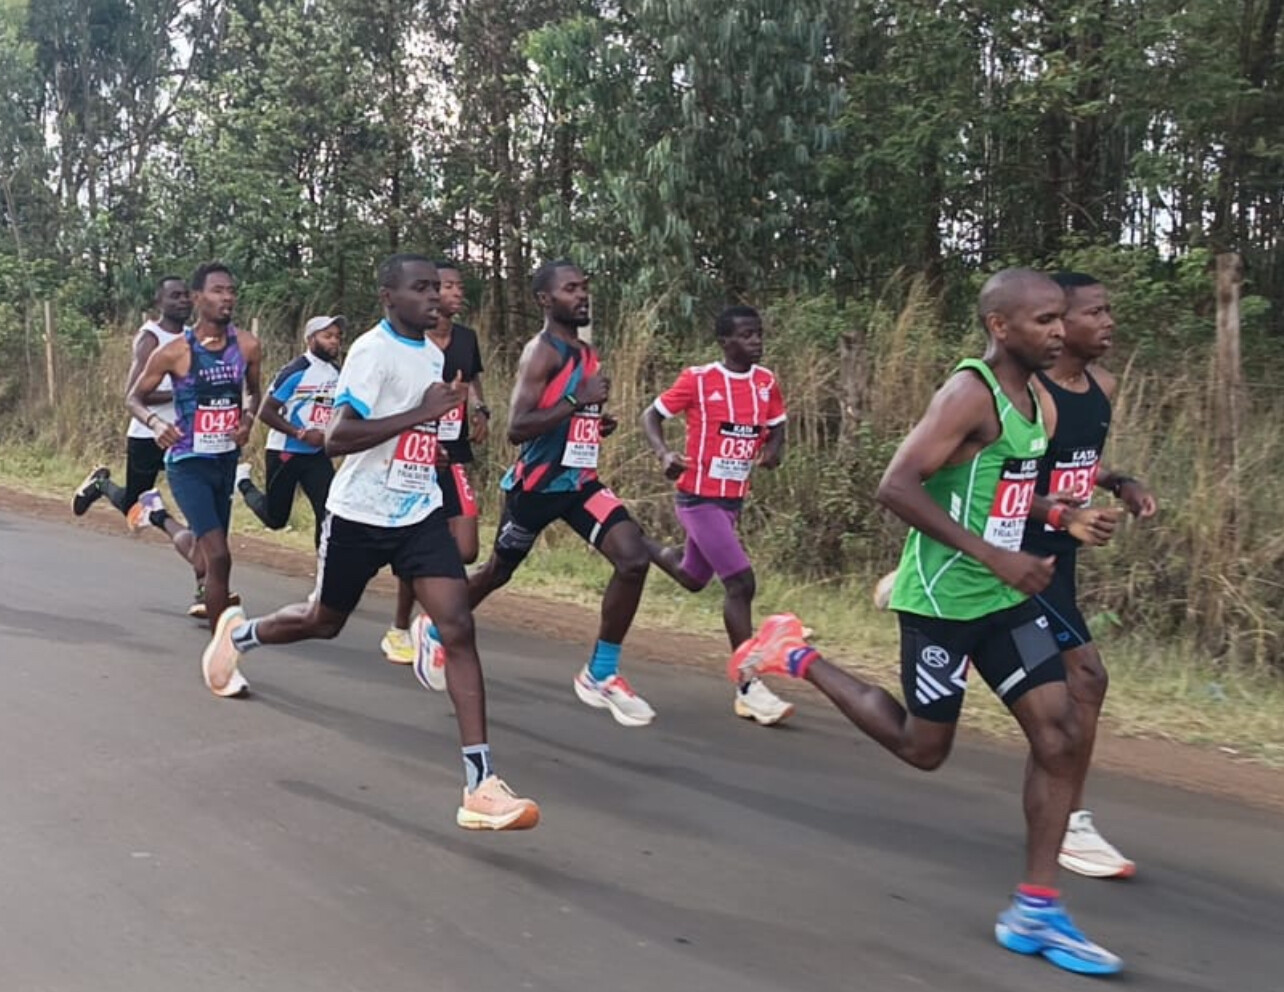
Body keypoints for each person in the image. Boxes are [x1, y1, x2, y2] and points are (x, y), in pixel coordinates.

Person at [731, 269, 1126, 976]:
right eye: (1043, 320)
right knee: (923, 748)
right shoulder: (969, 391)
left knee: (1060, 735)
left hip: (1003, 600)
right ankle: (794, 655)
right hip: (943, 601)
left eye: (1060, 319)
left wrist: (1059, 515)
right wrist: (994, 556)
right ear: (1000, 326)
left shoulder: (1038, 399)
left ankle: (1036, 908)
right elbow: (897, 485)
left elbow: (1009, 489)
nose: (1059, 331)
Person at [199, 254, 539, 832]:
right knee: (323, 621)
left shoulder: (433, 353)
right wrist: (420, 414)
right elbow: (338, 437)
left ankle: (480, 785)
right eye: (420, 288)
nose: (434, 296)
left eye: (437, 288)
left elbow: (415, 429)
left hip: (417, 513)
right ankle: (242, 635)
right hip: (358, 515)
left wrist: (431, 440)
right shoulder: (369, 352)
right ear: (388, 297)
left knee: (458, 627)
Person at [417, 260, 654, 727]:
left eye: (584, 287)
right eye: (570, 289)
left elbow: (567, 415)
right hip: (536, 488)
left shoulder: (586, 352)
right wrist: (577, 402)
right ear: (546, 300)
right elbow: (518, 428)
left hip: (579, 484)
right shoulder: (540, 352)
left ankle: (600, 673)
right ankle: (435, 627)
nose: (582, 295)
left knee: (633, 559)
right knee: (497, 572)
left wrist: (592, 422)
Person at [1026, 272, 1157, 879]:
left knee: (1055, 694)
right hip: (1020, 558)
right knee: (1085, 678)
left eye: (1109, 311)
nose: (1108, 322)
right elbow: (996, 478)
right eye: (1095, 312)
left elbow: (1079, 459)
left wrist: (1118, 482)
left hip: (1061, 558)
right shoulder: (1031, 393)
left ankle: (933, 601)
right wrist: (1062, 515)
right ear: (1059, 322)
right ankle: (1069, 824)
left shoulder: (1102, 386)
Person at [640, 304, 793, 726]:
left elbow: (778, 423)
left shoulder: (766, 382)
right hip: (698, 498)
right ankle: (748, 686)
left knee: (692, 578)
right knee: (741, 583)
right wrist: (664, 453)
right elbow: (651, 415)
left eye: (758, 333)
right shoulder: (699, 379)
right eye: (746, 335)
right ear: (724, 342)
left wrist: (774, 449)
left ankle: (635, 540)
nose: (756, 341)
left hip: (732, 501)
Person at [126, 262, 262, 631]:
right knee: (219, 557)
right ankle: (224, 642)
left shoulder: (247, 345)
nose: (227, 297)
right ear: (198, 297)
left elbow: (254, 393)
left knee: (206, 557)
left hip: (225, 461)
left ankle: (157, 515)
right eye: (218, 291)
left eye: (231, 291)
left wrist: (247, 421)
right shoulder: (174, 351)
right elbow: (133, 397)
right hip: (187, 463)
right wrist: (156, 424)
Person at [71, 275, 215, 616]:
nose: (183, 301)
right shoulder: (150, 338)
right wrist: (183, 392)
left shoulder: (194, 338)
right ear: (158, 302)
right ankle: (103, 485)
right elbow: (134, 393)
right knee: (134, 507)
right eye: (174, 296)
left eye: (186, 295)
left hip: (186, 436)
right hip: (148, 434)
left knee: (199, 508)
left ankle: (204, 590)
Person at [380, 260, 490, 665]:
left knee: (466, 548)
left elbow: (471, 380)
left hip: (453, 451)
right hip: (413, 456)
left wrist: (480, 409)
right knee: (419, 543)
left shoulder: (466, 338)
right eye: (448, 286)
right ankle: (400, 629)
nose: (456, 292)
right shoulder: (411, 341)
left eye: (458, 286)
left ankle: (430, 616)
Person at [235, 315, 344, 549]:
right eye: (327, 336)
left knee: (329, 513)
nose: (334, 341)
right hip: (286, 451)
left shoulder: (338, 372)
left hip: (316, 454)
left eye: (337, 336)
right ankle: (243, 482)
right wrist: (301, 434)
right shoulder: (295, 371)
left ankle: (323, 568)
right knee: (275, 519)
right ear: (310, 339)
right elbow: (266, 412)